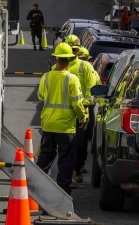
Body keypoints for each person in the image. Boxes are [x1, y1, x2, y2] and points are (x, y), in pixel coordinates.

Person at [36, 43, 87, 195]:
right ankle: (63, 190)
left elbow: (40, 96)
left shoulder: (46, 77)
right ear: (70, 60)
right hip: (65, 126)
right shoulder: (72, 79)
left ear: (56, 58)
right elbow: (77, 104)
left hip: (48, 123)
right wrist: (82, 117)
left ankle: (35, 185)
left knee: (46, 155)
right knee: (66, 159)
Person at [63, 35, 98, 183]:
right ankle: (65, 172)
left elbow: (92, 87)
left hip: (82, 109)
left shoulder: (85, 66)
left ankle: (77, 168)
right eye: (70, 49)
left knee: (80, 143)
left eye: (75, 49)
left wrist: (85, 106)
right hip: (64, 111)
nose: (73, 52)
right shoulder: (59, 66)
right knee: (64, 142)